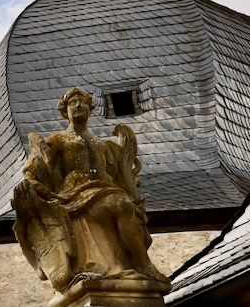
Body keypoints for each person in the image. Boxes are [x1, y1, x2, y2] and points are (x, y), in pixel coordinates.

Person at [12, 87, 167, 293]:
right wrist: (33, 183)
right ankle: (143, 262)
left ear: (90, 108)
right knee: (120, 204)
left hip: (103, 188)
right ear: (65, 111)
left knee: (124, 203)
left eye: (82, 102)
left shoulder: (102, 144)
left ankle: (133, 263)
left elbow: (115, 174)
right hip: (76, 194)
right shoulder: (58, 139)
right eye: (72, 103)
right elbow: (34, 166)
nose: (78, 105)